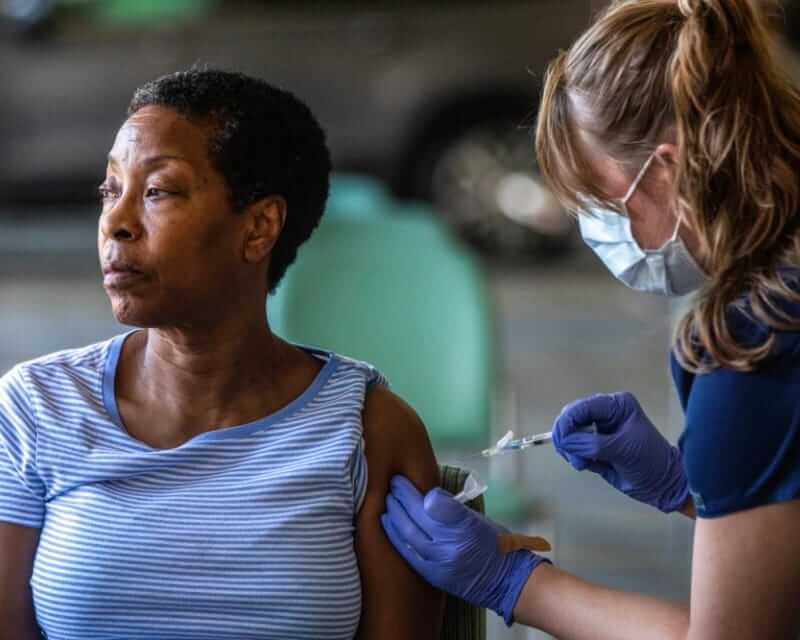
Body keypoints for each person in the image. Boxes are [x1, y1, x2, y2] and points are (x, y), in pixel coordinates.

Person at [381, 1, 800, 638]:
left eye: (601, 200)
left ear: (669, 166)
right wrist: (690, 488)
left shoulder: (754, 345)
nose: (595, 229)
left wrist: (514, 582)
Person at [0, 69, 444, 640]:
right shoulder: (37, 409)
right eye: (110, 190)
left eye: (158, 191)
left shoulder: (368, 433)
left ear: (259, 227)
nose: (116, 223)